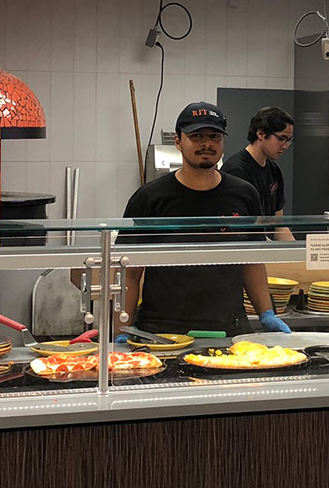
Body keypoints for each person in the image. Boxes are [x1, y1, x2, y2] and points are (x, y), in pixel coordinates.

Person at [119, 102, 292, 336]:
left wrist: (266, 313)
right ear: (178, 142)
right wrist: (122, 328)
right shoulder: (149, 198)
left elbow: (251, 260)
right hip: (161, 331)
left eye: (214, 136)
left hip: (229, 328)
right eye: (196, 136)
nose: (206, 144)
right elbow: (130, 270)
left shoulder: (245, 193)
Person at [220, 106, 295, 242]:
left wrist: (296, 253)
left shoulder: (274, 170)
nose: (285, 146)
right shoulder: (236, 171)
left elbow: (278, 225)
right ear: (260, 134)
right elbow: (240, 231)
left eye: (289, 140)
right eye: (281, 138)